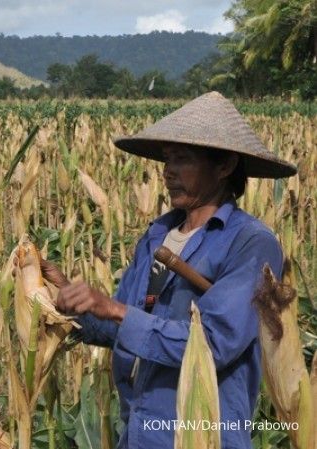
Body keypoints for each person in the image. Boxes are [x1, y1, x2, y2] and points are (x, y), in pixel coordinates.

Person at [40, 91, 297, 449]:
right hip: (138, 434)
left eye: (183, 159)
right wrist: (67, 300)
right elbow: (122, 328)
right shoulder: (157, 235)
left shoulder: (251, 244)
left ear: (224, 166)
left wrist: (113, 309)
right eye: (166, 159)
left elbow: (214, 344)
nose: (168, 172)